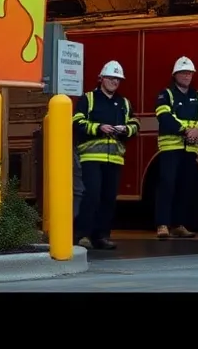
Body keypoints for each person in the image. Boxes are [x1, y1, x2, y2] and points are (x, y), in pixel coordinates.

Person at [72, 60, 139, 251]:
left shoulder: (124, 103)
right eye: (111, 78)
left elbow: (136, 124)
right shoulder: (89, 99)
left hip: (115, 158)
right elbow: (77, 121)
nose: (114, 82)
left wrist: (126, 129)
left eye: (117, 79)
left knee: (108, 199)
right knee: (92, 196)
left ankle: (101, 236)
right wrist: (98, 127)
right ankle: (82, 235)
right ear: (101, 78)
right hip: (91, 157)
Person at [154, 55, 198, 239]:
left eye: (190, 73)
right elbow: (163, 116)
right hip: (171, 147)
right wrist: (186, 130)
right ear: (175, 75)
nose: (187, 76)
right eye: (183, 73)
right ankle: (162, 224)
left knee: (185, 186)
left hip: (191, 148)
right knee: (167, 185)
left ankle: (179, 224)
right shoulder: (166, 94)